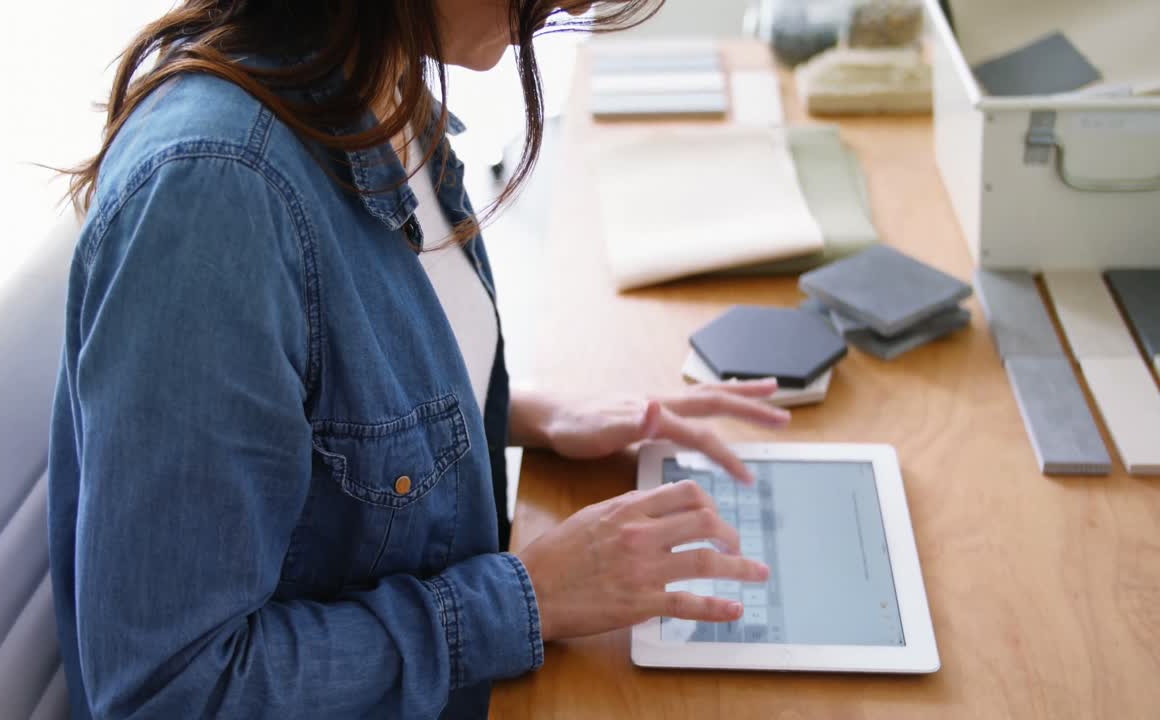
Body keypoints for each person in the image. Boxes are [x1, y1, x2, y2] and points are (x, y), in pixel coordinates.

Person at [49, 1, 790, 717]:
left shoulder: (385, 90)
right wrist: (528, 598)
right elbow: (171, 694)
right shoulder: (214, 198)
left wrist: (521, 412)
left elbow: (330, 390)